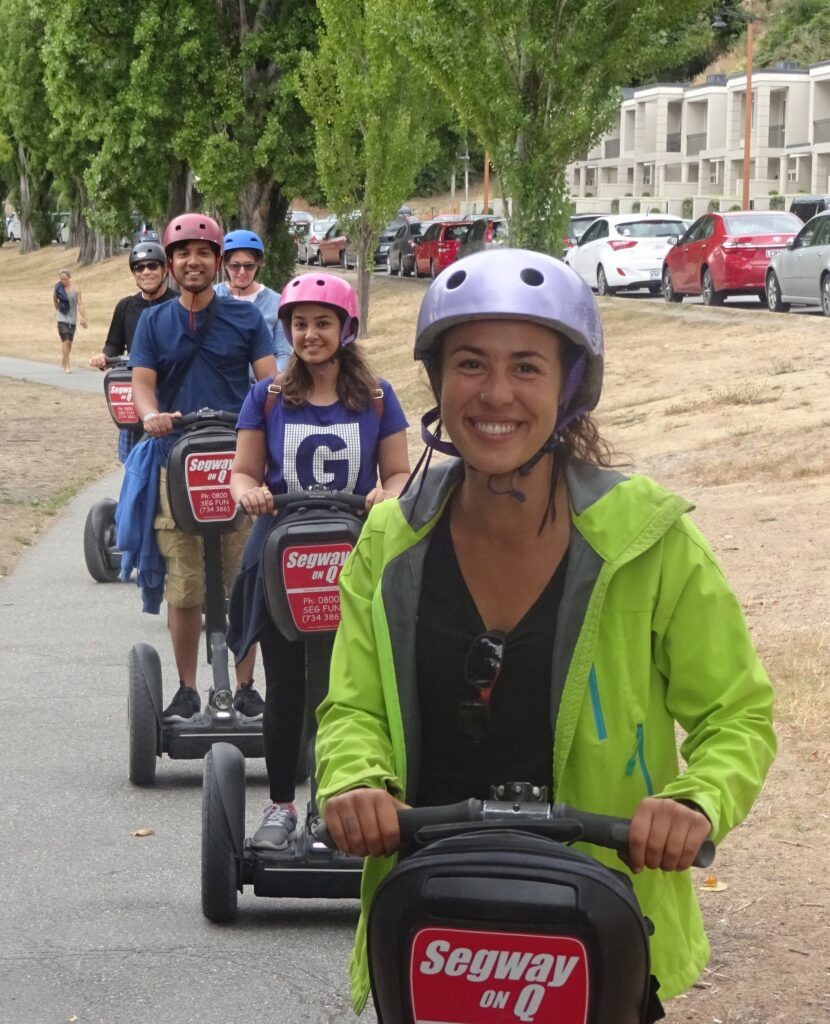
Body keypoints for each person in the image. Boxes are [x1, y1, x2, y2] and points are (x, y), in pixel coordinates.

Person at [315, 249, 776, 1015]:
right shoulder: (390, 543)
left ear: (569, 386)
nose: (495, 393)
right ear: (437, 379)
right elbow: (353, 709)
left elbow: (739, 715)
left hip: (596, 931)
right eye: (470, 364)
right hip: (434, 925)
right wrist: (357, 783)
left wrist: (695, 802)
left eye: (527, 367)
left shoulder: (647, 541)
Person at [227, 272, 410, 851]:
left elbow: (400, 473)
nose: (310, 334)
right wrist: (248, 493)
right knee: (283, 688)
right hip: (283, 558)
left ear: (346, 329)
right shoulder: (270, 396)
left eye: (322, 323)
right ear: (287, 330)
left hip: (351, 559)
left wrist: (390, 492)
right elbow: (242, 471)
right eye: (300, 324)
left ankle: (332, 805)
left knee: (341, 690)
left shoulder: (377, 396)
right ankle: (282, 804)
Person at [126, 213, 277, 721]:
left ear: (217, 263)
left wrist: (263, 413)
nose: (194, 261)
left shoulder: (247, 319)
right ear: (170, 264)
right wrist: (151, 416)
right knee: (186, 583)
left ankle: (246, 684)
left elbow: (267, 381)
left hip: (238, 462)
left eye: (203, 253)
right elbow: (143, 382)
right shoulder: (154, 321)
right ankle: (189, 688)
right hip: (179, 460)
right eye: (183, 254)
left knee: (244, 576)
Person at [89, 242, 178, 462]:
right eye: (139, 267)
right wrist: (104, 356)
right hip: (135, 391)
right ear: (133, 273)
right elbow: (114, 344)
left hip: (171, 392)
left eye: (152, 266)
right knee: (132, 462)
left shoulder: (178, 303)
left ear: (164, 270)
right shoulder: (126, 307)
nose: (146, 272)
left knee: (171, 459)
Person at [214, 229, 293, 371]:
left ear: (259, 264)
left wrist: (271, 381)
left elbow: (282, 352)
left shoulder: (276, 302)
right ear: (225, 265)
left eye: (249, 266)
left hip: (259, 385)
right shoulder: (212, 296)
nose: (242, 272)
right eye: (235, 266)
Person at [53, 269, 88, 373]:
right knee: (65, 340)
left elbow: (80, 304)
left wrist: (84, 317)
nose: (63, 281)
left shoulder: (76, 289)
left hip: (72, 319)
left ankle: (64, 359)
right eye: (62, 279)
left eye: (65, 279)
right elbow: (55, 300)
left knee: (69, 343)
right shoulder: (58, 288)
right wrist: (59, 311)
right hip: (62, 318)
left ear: (69, 278)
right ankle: (67, 366)